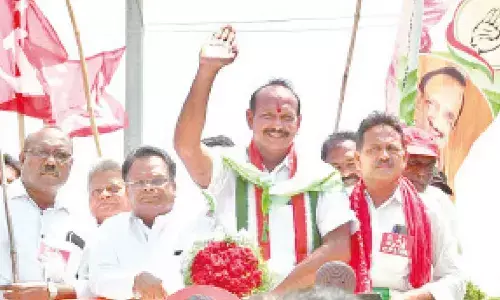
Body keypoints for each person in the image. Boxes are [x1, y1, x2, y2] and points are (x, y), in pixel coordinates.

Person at [174, 25, 357, 294]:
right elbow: (186, 147)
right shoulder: (227, 167)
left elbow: (339, 248)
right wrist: (206, 71)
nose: (277, 125)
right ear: (250, 119)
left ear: (299, 122)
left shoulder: (321, 176)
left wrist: (275, 296)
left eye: (286, 118)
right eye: (268, 116)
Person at [349, 112, 465, 299]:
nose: (384, 156)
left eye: (392, 148)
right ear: (357, 159)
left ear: (403, 158)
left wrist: (411, 298)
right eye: (374, 149)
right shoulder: (337, 205)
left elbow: (455, 278)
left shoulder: (429, 210)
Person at [88, 146, 186, 299]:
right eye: (139, 182)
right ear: (127, 191)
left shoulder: (195, 226)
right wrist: (134, 282)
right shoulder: (111, 229)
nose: (148, 188)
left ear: (173, 186)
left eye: (157, 181)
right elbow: (98, 279)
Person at [0, 127, 84, 300]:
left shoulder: (82, 217)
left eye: (61, 155)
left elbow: (93, 280)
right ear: (22, 159)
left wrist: (54, 291)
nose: (51, 162)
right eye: (42, 153)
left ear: (71, 164)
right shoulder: (3, 205)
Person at [73, 158, 132, 297]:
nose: (104, 195)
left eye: (113, 189)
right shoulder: (74, 237)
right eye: (97, 191)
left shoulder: (148, 234)